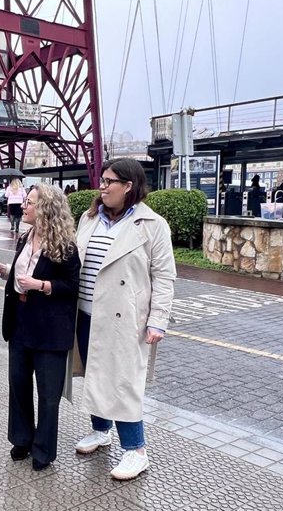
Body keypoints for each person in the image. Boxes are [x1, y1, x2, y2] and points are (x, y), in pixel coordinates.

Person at [71, 158, 175, 481]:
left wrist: (158, 320)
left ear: (128, 186)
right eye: (102, 180)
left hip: (125, 319)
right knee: (95, 373)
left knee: (123, 383)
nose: (102, 186)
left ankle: (136, 450)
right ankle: (101, 430)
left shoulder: (152, 225)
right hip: (87, 313)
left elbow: (165, 276)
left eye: (109, 181)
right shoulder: (89, 219)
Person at [0, 184, 81, 471]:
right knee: (19, 384)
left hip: (50, 329)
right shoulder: (25, 237)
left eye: (30, 202)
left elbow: (72, 287)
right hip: (20, 322)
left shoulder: (65, 247)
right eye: (25, 201)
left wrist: (42, 285)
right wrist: (3, 269)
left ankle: (43, 449)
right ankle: (22, 439)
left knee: (48, 394)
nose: (23, 206)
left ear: (46, 209)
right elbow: (20, 275)